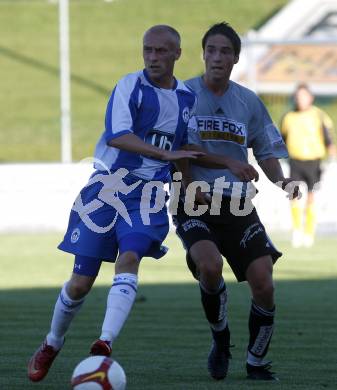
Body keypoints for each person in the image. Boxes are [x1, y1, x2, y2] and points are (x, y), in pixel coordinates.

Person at [27, 24, 205, 382]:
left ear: (177, 54)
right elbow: (119, 136)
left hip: (148, 195)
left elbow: (182, 148)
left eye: (160, 51)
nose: (152, 57)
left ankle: (104, 342)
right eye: (147, 50)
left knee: (130, 257)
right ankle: (52, 342)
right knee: (80, 283)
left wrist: (187, 183)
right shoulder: (129, 87)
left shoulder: (187, 97)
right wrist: (164, 154)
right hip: (106, 192)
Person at [173, 22, 299, 381]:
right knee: (209, 267)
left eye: (225, 51)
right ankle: (220, 336)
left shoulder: (248, 101)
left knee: (264, 281)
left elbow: (266, 148)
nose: (217, 57)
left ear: (236, 58)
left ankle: (256, 362)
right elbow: (178, 149)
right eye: (211, 50)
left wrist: (282, 180)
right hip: (192, 198)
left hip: (238, 203)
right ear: (203, 54)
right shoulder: (183, 95)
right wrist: (195, 179)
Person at [281, 83, 336, 248]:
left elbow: (328, 139)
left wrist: (332, 154)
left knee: (311, 197)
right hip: (295, 161)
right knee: (294, 195)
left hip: (314, 161)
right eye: (298, 96)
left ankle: (309, 232)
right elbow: (281, 139)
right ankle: (297, 230)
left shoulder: (319, 116)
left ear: (310, 98)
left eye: (304, 96)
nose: (300, 99)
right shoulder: (288, 117)